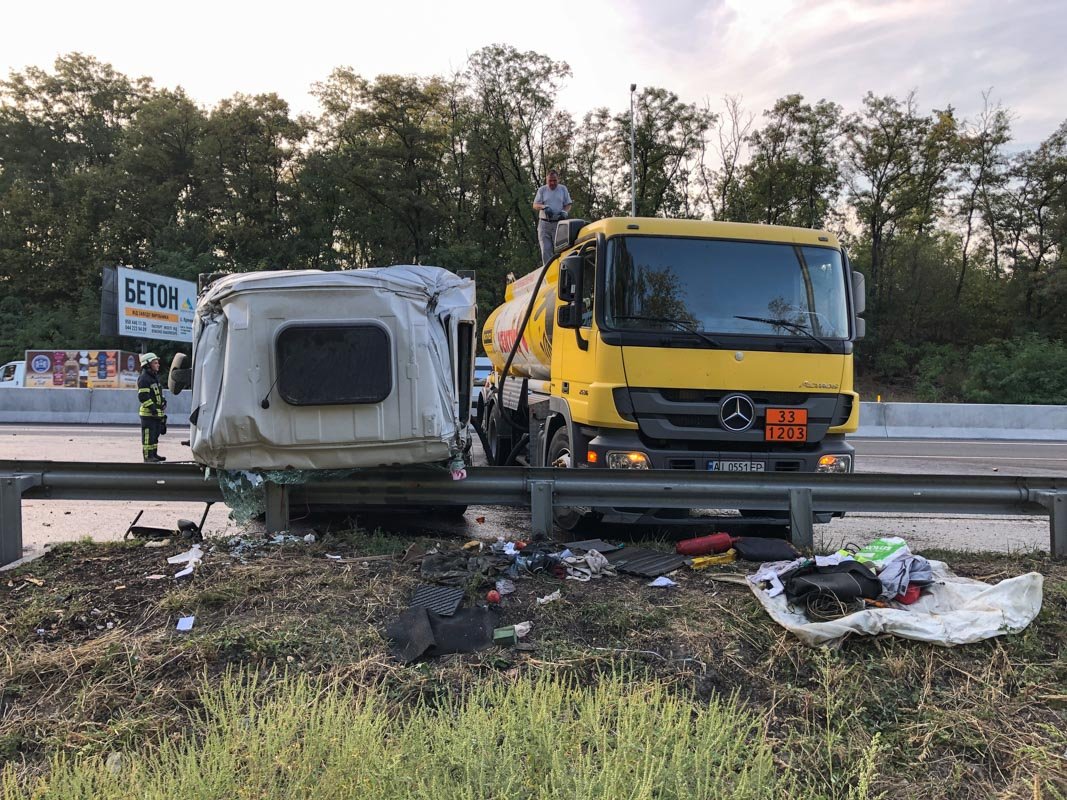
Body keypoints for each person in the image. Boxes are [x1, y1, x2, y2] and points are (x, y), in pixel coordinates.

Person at [533, 169, 573, 266]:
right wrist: (544, 207)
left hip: (558, 223)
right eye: (550, 181)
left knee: (562, 248)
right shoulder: (542, 190)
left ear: (558, 179)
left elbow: (568, 204)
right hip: (544, 223)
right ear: (546, 180)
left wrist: (564, 212)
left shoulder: (563, 189)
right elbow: (535, 205)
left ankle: (562, 269)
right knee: (546, 250)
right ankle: (548, 270)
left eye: (554, 180)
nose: (552, 183)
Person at [137, 352, 167, 462]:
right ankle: (148, 457)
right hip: (148, 414)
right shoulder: (144, 378)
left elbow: (157, 394)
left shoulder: (154, 378)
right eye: (155, 363)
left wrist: (163, 402)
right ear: (148, 365)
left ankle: (154, 454)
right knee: (148, 437)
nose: (158, 364)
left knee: (154, 436)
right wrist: (153, 408)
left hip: (156, 414)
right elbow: (143, 397)